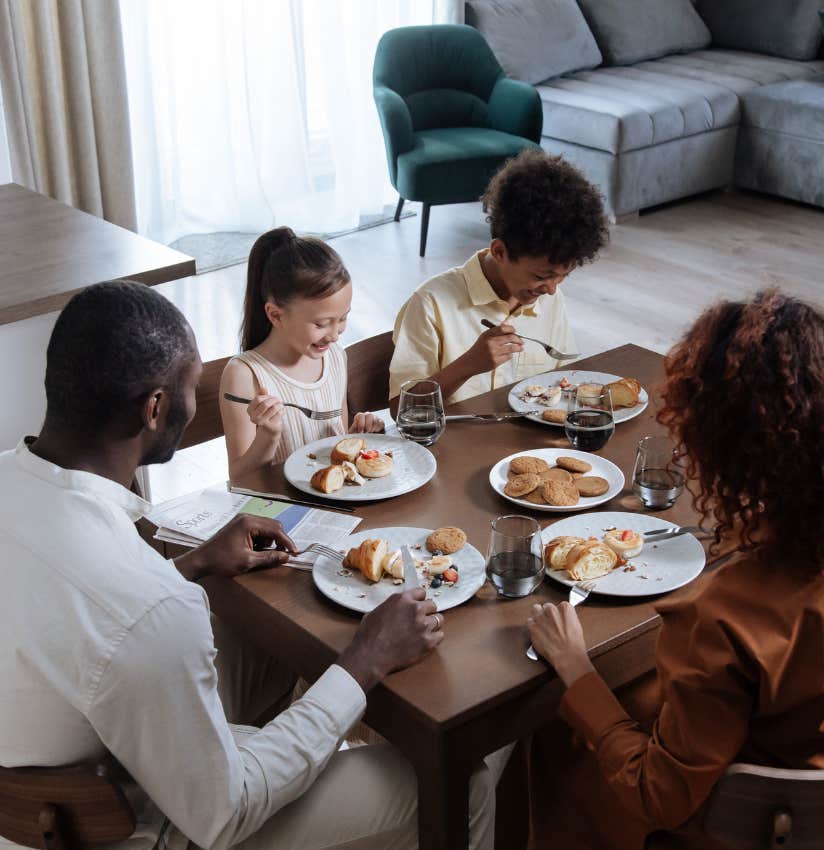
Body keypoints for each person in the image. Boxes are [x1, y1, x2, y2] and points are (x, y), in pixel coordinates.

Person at [0, 280, 509, 850]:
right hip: (160, 825)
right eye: (192, 387)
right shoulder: (147, 610)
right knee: (463, 782)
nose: (195, 400)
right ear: (156, 408)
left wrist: (190, 564)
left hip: (50, 777)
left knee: (254, 645)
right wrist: (365, 659)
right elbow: (226, 811)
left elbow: (88, 617)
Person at [526, 289, 824, 849]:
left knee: (550, 734)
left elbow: (660, 793)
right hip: (821, 771)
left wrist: (576, 668)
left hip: (746, 825)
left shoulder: (723, 615)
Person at [389, 150, 608, 408]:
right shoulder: (430, 304)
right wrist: (468, 365)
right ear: (499, 252)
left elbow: (564, 379)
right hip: (456, 445)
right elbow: (399, 409)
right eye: (541, 276)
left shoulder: (550, 297)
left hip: (532, 445)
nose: (551, 289)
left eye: (562, 277)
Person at [220, 228, 384, 481]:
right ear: (275, 315)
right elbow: (240, 478)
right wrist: (268, 435)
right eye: (320, 324)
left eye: (342, 318)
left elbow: (334, 447)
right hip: (280, 509)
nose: (334, 334)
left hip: (335, 502)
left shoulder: (336, 358)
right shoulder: (244, 375)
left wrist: (359, 436)